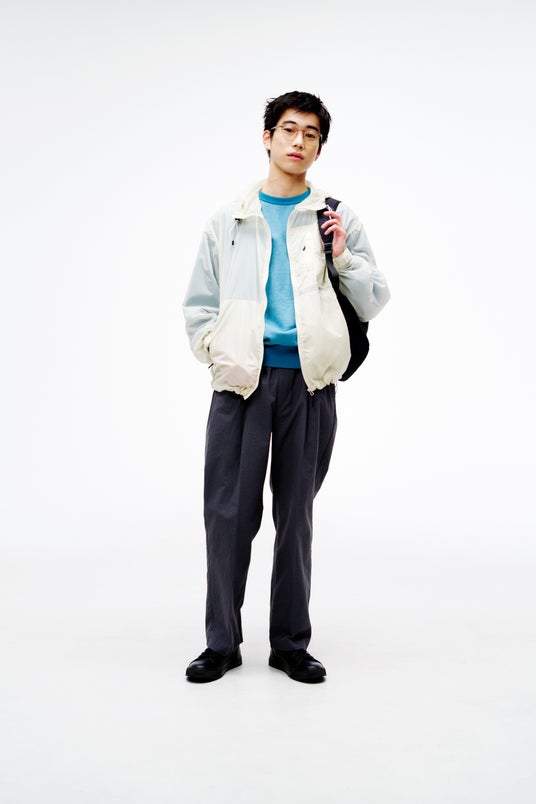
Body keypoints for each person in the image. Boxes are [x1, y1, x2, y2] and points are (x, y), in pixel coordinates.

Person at [182, 90, 390, 683]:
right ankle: (221, 643)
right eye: (290, 129)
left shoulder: (337, 218)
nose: (299, 142)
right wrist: (220, 353)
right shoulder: (230, 219)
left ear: (319, 147)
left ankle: (291, 644)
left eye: (312, 134)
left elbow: (374, 300)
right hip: (241, 385)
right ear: (268, 137)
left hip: (309, 384)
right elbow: (199, 304)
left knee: (296, 515)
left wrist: (344, 257)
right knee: (228, 515)